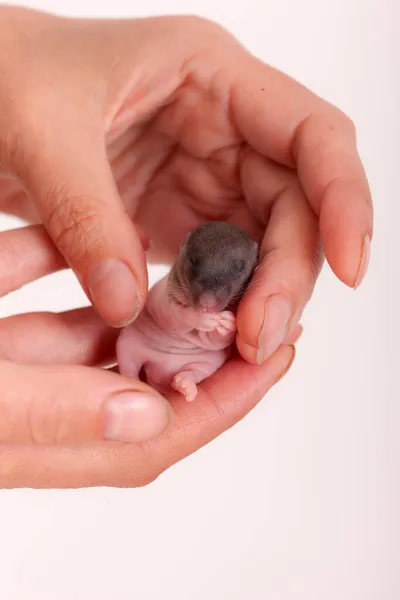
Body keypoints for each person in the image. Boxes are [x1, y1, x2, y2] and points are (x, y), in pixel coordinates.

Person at [0, 6, 373, 488]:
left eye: (226, 290)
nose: (209, 299)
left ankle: (183, 383)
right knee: (134, 339)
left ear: (253, 269)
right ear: (183, 255)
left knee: (208, 360)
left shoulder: (226, 303)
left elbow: (221, 334)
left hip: (189, 359)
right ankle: (149, 375)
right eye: (198, 279)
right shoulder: (171, 293)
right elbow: (163, 310)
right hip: (150, 341)